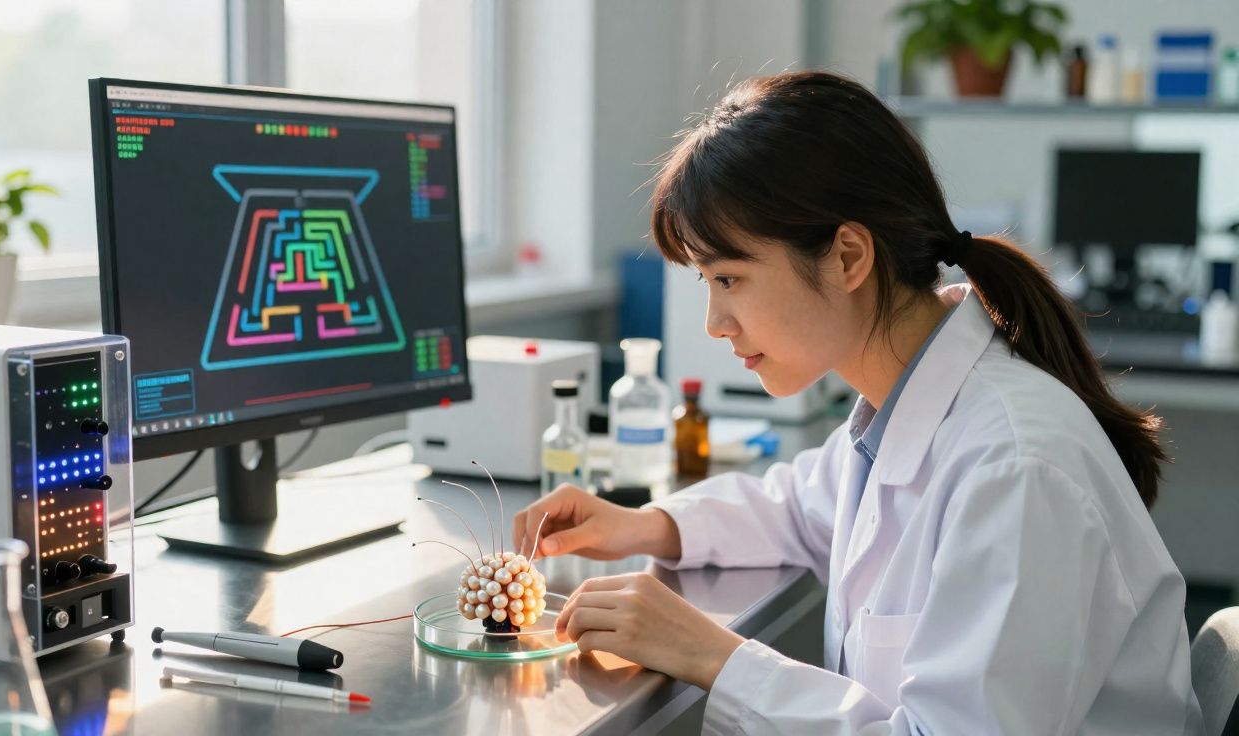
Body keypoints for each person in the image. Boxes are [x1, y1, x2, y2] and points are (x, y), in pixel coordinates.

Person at [512, 71, 1203, 735]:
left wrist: (714, 657)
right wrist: (643, 524)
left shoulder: (1013, 469)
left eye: (728, 279)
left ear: (848, 257)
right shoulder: (902, 410)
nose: (715, 324)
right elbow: (794, 506)